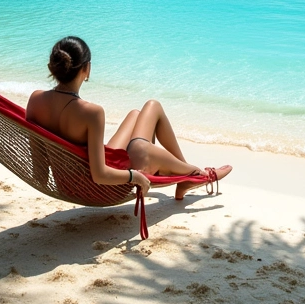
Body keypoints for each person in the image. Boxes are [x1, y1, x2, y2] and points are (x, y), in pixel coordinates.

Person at [26, 36, 232, 199]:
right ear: (86, 70)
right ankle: (196, 174)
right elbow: (100, 175)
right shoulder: (91, 112)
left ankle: (185, 175)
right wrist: (135, 176)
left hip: (70, 185)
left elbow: (40, 175)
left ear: (53, 68)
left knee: (136, 115)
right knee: (150, 118)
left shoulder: (35, 101)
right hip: (102, 187)